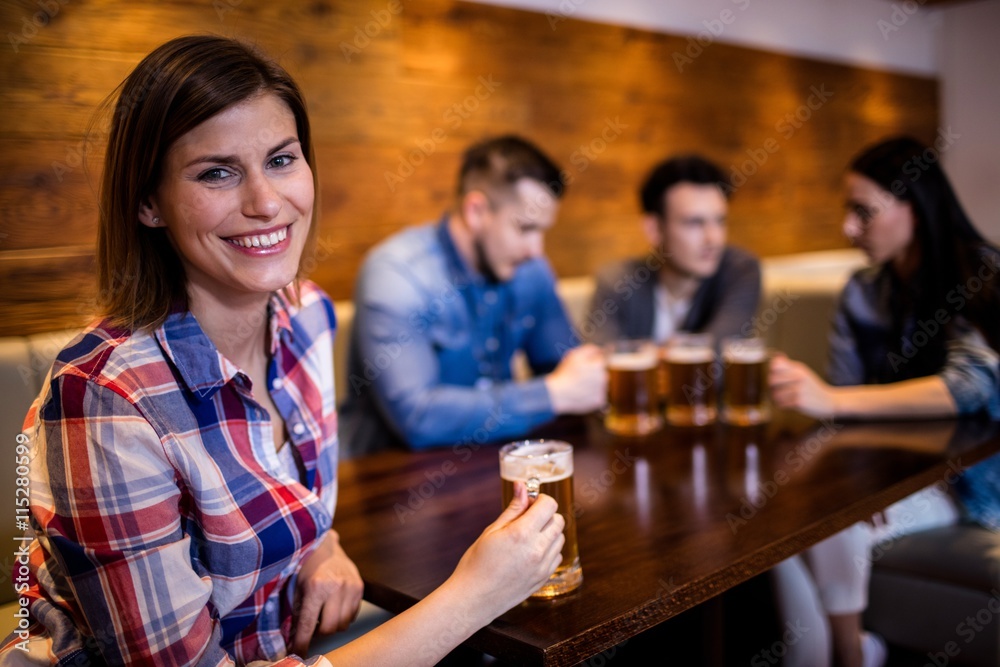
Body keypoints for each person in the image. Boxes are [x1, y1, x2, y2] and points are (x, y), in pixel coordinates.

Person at [0, 35, 566, 666]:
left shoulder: (307, 314)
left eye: (281, 160)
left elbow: (291, 499)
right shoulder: (103, 399)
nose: (267, 203)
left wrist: (321, 544)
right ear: (148, 202)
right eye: (217, 172)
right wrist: (474, 596)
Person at [767, 136, 1000, 667]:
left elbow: (968, 387)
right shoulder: (862, 291)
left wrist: (831, 402)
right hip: (894, 469)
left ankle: (850, 655)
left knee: (831, 521)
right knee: (779, 527)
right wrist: (859, 477)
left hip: (971, 481)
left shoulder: (979, 274)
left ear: (913, 208)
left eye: (863, 212)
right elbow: (843, 400)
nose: (849, 228)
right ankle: (833, 655)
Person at [338, 135, 607, 456]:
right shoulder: (397, 275)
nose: (537, 250)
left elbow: (566, 367)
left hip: (498, 462)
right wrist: (550, 395)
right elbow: (418, 419)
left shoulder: (531, 269)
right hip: (387, 476)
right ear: (477, 211)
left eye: (543, 231)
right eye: (525, 228)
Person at [586, 154, 761, 345]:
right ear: (654, 229)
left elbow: (720, 353)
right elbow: (599, 357)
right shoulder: (619, 280)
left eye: (720, 221)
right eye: (694, 223)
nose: (714, 239)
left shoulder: (739, 270)